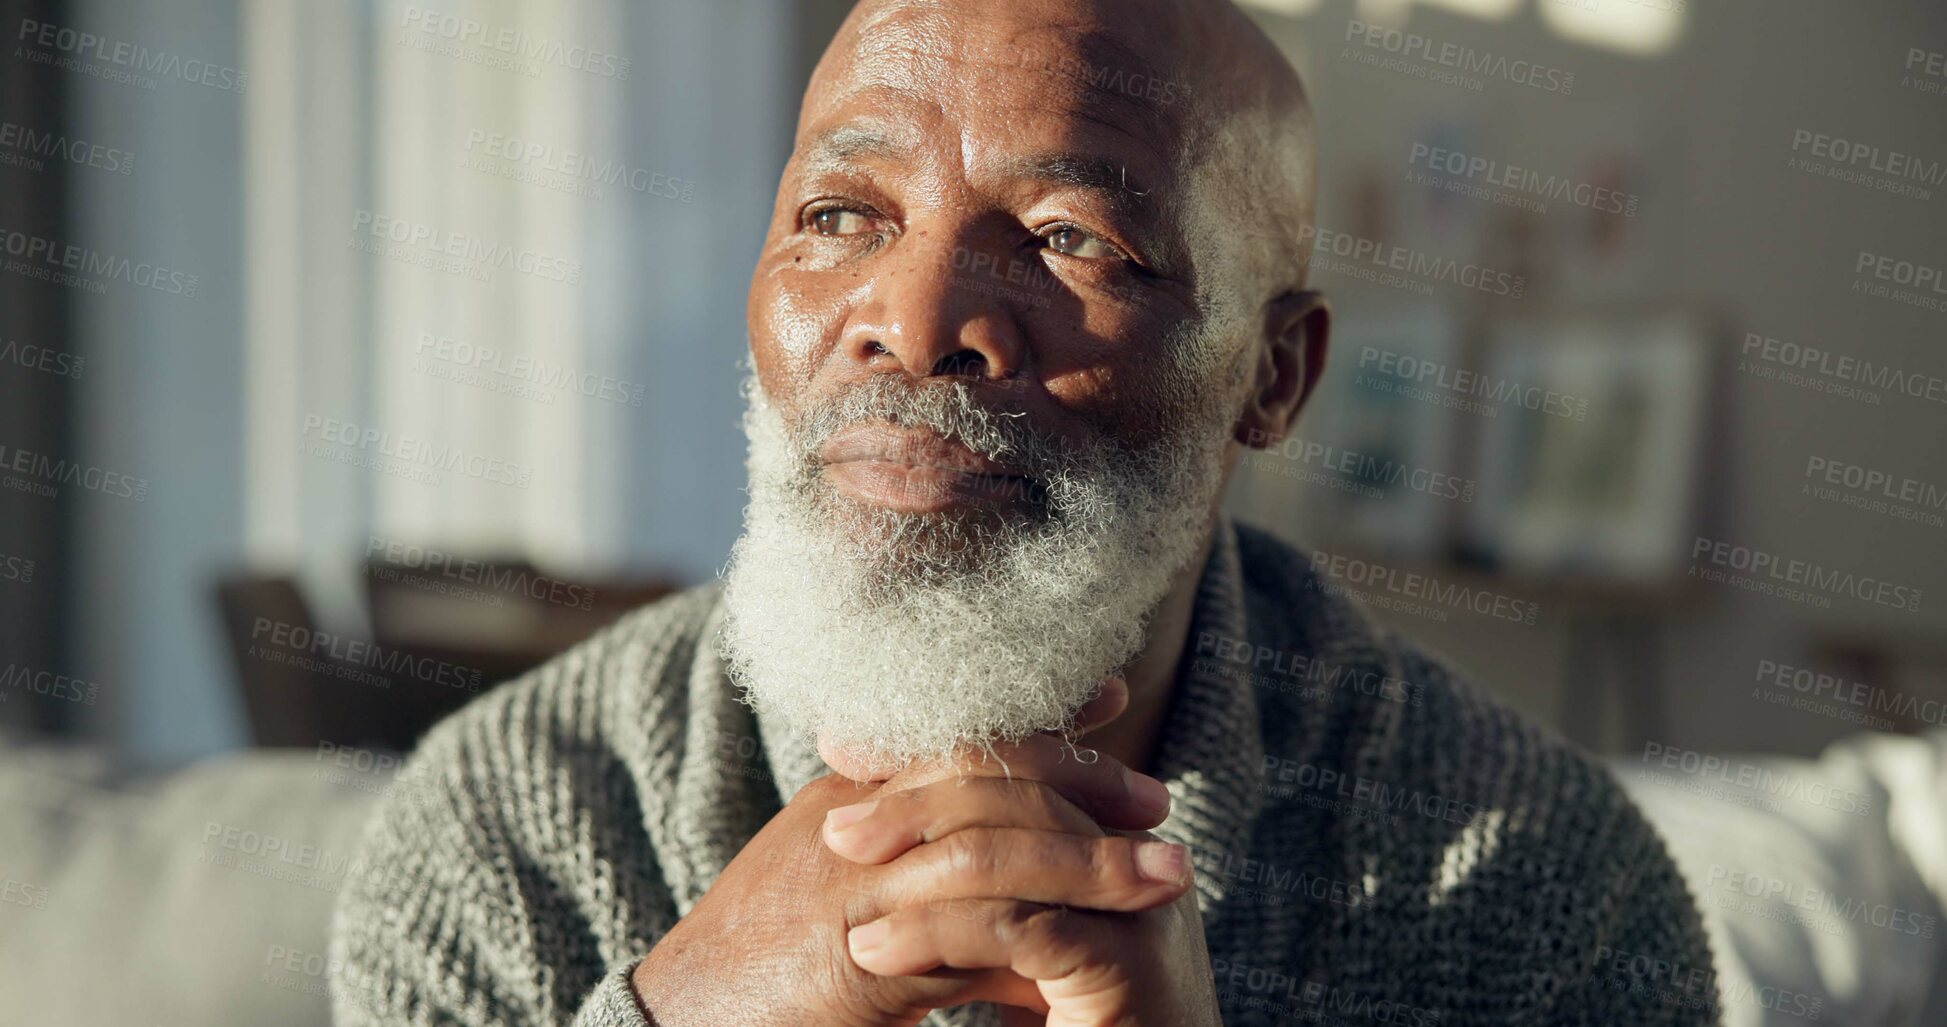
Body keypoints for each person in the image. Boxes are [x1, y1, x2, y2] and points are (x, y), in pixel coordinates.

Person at [329, 0, 1719, 1023]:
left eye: (1072, 240)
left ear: (1274, 375)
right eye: (840, 217)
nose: (915, 320)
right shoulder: (502, 834)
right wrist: (683, 1012)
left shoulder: (1545, 892)